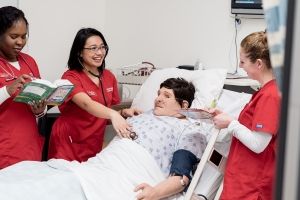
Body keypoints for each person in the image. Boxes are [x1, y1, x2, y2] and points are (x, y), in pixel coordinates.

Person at [0, 77, 210, 200]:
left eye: (166, 96)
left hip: (126, 175)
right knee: (29, 173)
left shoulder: (189, 129)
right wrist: (125, 114)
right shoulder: (143, 114)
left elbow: (181, 177)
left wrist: (154, 192)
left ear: (184, 106)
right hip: (97, 166)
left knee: (51, 188)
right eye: (158, 93)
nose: (157, 98)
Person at [48, 28, 139, 162]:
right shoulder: (71, 77)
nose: (99, 52)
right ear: (79, 52)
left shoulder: (109, 77)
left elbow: (104, 113)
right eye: (93, 48)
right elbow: (87, 104)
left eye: (102, 47)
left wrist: (124, 112)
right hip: (68, 142)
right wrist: (114, 115)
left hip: (93, 143)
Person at [211, 31, 281, 200]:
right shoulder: (264, 92)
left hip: (252, 184)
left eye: (242, 61)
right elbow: (252, 128)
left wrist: (230, 124)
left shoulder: (270, 95)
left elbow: (259, 143)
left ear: (258, 64)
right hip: (242, 179)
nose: (240, 66)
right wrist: (229, 119)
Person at [0, 6, 46, 169]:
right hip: (4, 146)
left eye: (24, 36)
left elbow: (38, 107)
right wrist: (7, 90)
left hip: (29, 142)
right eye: (13, 36)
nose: (20, 42)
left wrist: (40, 109)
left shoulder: (29, 61)